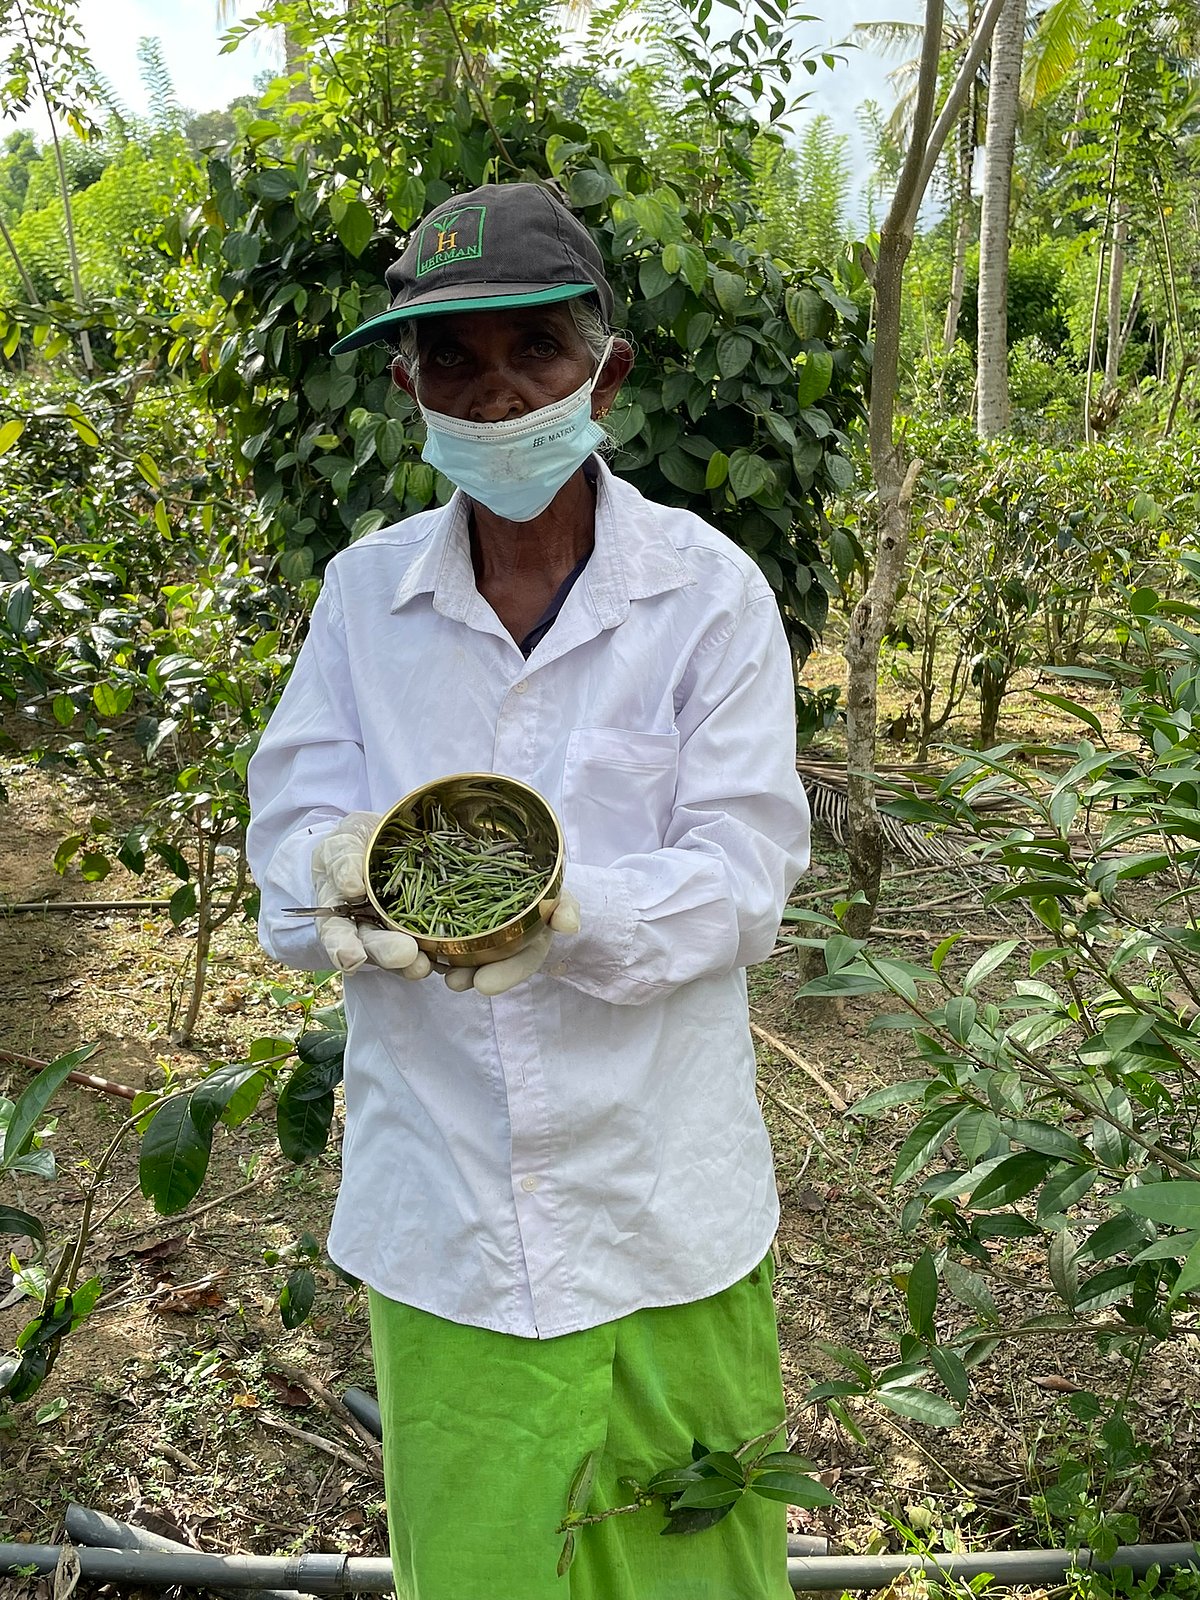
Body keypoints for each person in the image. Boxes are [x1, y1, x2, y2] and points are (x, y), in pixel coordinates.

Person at [246, 181, 810, 1600]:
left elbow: (746, 872)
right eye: (453, 361)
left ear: (604, 371)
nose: (495, 398)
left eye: (533, 354)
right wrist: (364, 886)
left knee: (692, 1564)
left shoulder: (708, 593)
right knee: (485, 1564)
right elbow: (289, 847)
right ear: (405, 382)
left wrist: (559, 914)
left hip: (658, 1203)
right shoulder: (364, 601)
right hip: (447, 1209)